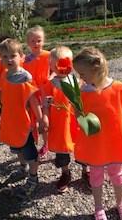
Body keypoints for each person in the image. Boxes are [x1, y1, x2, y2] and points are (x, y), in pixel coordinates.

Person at [73, 47, 122, 220]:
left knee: (117, 174)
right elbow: (80, 119)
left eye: (82, 73)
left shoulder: (118, 88)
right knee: (96, 176)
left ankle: (121, 203)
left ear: (95, 68)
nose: (80, 78)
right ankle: (98, 208)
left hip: (113, 144)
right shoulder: (82, 93)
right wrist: (76, 108)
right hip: (96, 146)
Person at [0, 38, 44, 199]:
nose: (9, 59)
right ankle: (22, 168)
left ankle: (33, 177)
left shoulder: (25, 77)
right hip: (10, 119)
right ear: (0, 58)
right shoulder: (5, 75)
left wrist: (41, 119)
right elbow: (6, 92)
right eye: (4, 56)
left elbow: (33, 100)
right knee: (16, 146)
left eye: (13, 55)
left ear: (21, 56)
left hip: (24, 121)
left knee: (29, 150)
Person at [42, 46, 88, 193]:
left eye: (65, 64)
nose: (62, 68)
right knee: (61, 151)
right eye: (57, 65)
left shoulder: (78, 82)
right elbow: (46, 105)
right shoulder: (49, 85)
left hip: (76, 122)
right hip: (60, 124)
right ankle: (65, 173)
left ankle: (85, 170)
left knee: (82, 147)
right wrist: (45, 118)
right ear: (51, 67)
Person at [23, 25, 50, 158]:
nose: (36, 44)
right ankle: (37, 143)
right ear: (28, 43)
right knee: (36, 119)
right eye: (33, 41)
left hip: (46, 91)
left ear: (43, 41)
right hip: (33, 93)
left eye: (39, 40)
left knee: (47, 119)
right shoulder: (26, 60)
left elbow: (54, 71)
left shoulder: (48, 55)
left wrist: (48, 80)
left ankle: (47, 142)